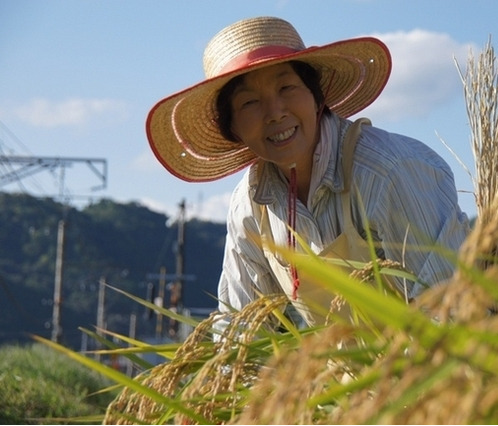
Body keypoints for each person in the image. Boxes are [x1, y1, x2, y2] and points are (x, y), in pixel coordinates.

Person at [146, 16, 469, 331]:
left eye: (286, 87)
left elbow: (447, 310)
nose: (275, 113)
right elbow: (239, 329)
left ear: (317, 97)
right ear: (232, 128)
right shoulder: (252, 203)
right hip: (343, 379)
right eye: (249, 103)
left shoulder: (389, 172)